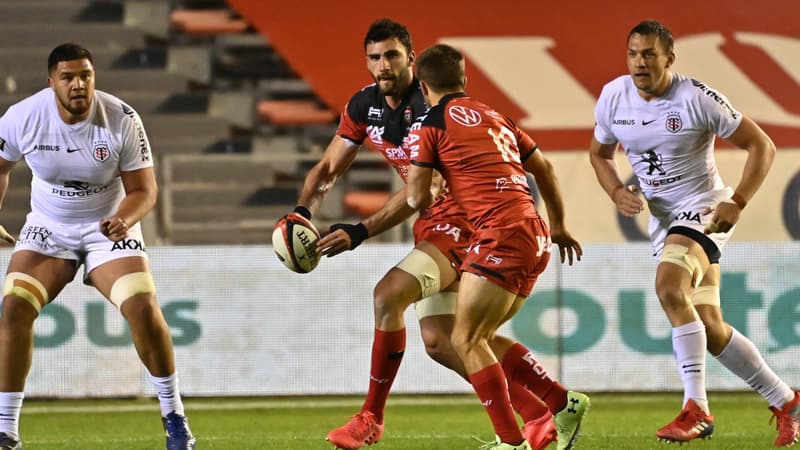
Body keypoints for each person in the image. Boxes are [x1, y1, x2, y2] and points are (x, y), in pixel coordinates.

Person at [287, 19, 589, 450]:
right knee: (443, 342)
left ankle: (371, 417)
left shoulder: (430, 113)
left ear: (412, 61)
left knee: (388, 296)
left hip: (463, 226)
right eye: (375, 57)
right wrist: (302, 212)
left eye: (392, 55)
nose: (383, 65)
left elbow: (420, 194)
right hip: (440, 226)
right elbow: (328, 169)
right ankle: (549, 407)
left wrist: (358, 231)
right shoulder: (363, 107)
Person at [588, 20, 800, 446]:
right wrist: (615, 190)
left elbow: (762, 145)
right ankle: (787, 402)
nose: (640, 62)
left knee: (669, 288)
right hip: (665, 221)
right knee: (711, 325)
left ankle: (696, 408)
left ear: (669, 58)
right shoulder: (613, 96)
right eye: (633, 53)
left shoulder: (695, 98)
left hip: (703, 209)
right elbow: (599, 153)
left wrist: (736, 201)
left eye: (649, 54)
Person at [0, 43, 195, 450]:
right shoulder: (23, 117)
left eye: (85, 75)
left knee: (142, 305)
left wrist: (125, 217)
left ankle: (174, 416)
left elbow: (144, 189)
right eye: (68, 77)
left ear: (94, 78)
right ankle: (6, 429)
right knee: (14, 307)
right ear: (51, 81)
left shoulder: (121, 118)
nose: (78, 85)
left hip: (109, 224)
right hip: (49, 227)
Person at [404, 43, 583, 450]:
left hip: (499, 233)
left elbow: (416, 197)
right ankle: (559, 401)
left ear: (422, 84)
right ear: (464, 80)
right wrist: (560, 226)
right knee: (477, 336)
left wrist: (436, 183)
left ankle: (511, 441)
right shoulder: (496, 117)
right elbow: (546, 169)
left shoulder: (430, 124)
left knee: (462, 340)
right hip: (534, 231)